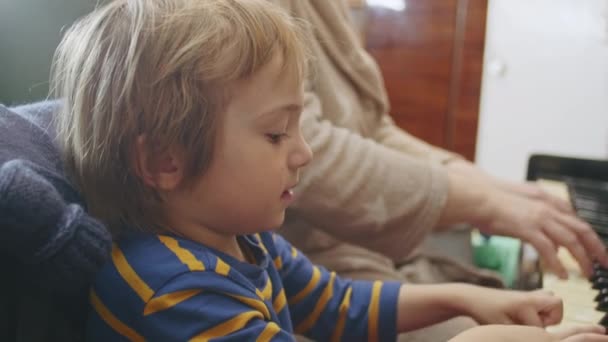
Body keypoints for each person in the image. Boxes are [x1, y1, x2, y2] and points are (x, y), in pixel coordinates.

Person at [48, 0, 608, 340]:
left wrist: (462, 298)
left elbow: (341, 304)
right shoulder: (174, 291)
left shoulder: (245, 238)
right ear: (164, 161)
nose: (304, 152)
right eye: (276, 134)